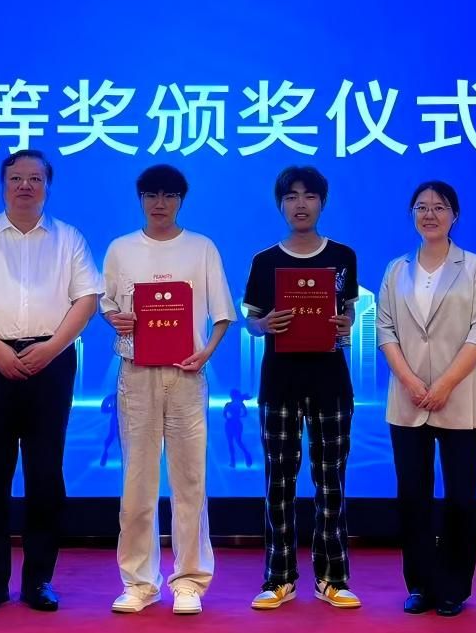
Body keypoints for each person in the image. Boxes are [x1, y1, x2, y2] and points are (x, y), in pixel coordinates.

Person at [0, 149, 102, 614]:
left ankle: (38, 581)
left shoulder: (69, 238)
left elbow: (87, 300)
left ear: (48, 185)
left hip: (52, 362)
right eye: (16, 178)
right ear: (3, 184)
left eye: (35, 178)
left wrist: (52, 349)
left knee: (45, 475)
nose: (25, 185)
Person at [102, 164, 235, 616]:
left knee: (189, 481)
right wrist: (116, 319)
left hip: (186, 374)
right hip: (136, 374)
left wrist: (206, 353)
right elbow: (108, 307)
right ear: (140, 199)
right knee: (137, 481)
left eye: (169, 195)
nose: (160, 203)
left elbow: (222, 314)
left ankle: (189, 581)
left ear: (181, 200)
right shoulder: (120, 249)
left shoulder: (201, 247)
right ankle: (139, 582)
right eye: (151, 195)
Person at [242, 165, 361, 611]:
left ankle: (332, 578)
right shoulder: (264, 261)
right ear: (280, 204)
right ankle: (279, 578)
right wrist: (264, 325)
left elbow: (348, 314)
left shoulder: (343, 256)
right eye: (291, 196)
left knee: (331, 483)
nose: (300, 204)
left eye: (309, 196)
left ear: (322, 203)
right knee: (279, 482)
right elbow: (251, 322)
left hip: (331, 382)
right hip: (280, 383)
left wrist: (346, 324)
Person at [377, 180, 476, 618]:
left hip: (460, 399)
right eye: (422, 207)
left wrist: (445, 383)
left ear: (454, 216)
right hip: (407, 401)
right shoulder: (396, 269)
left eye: (440, 207)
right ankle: (421, 585)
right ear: (412, 214)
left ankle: (453, 588)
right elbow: (385, 329)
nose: (430, 214)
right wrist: (410, 381)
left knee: (460, 499)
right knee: (414, 498)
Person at [223, 389, 253, 468]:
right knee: (235, 442)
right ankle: (236, 460)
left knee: (235, 442)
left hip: (232, 424)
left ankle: (235, 460)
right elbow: (245, 413)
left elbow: (224, 414)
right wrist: (238, 416)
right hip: (233, 424)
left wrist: (231, 417)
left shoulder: (231, 404)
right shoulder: (237, 403)